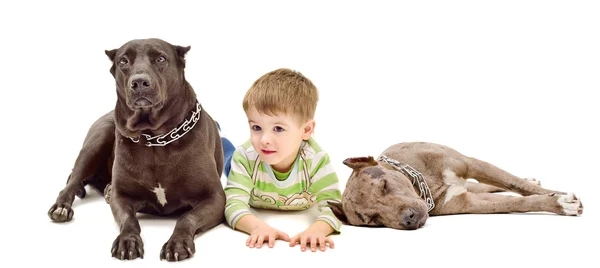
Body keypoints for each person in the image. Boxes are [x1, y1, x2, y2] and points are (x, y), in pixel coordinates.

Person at [221, 68, 342, 252]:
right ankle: (218, 136)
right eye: (256, 127)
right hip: (241, 165)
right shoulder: (245, 157)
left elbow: (335, 207)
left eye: (278, 129)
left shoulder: (316, 160)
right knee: (225, 155)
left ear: (306, 130)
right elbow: (233, 204)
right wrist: (256, 226)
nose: (264, 139)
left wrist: (318, 230)